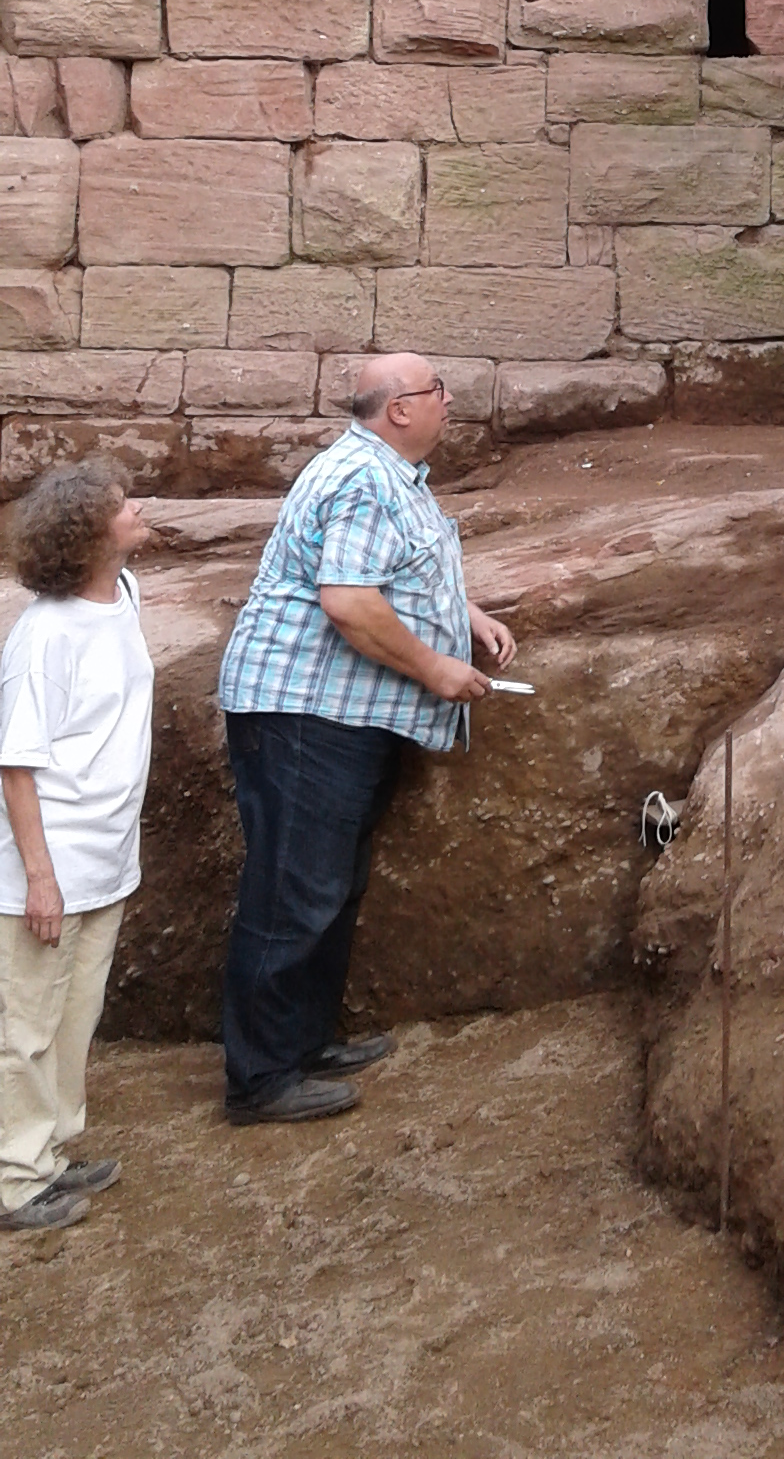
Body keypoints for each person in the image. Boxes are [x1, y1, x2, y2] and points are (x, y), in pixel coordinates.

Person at [217, 353, 515, 1126]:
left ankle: (302, 1044)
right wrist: (436, 668)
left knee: (328, 886)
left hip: (337, 714)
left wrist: (465, 615)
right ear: (399, 410)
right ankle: (261, 1079)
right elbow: (349, 600)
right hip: (305, 714)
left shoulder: (392, 475)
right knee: (293, 893)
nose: (449, 399)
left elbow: (393, 570)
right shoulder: (363, 477)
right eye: (435, 389)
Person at [0, 460, 153, 1235]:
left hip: (105, 859)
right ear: (89, 534)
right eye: (123, 506)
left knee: (72, 1018)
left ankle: (50, 1151)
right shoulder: (44, 637)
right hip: (48, 865)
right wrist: (40, 877)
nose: (138, 510)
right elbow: (15, 765)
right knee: (24, 1027)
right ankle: (15, 1180)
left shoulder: (125, 594)